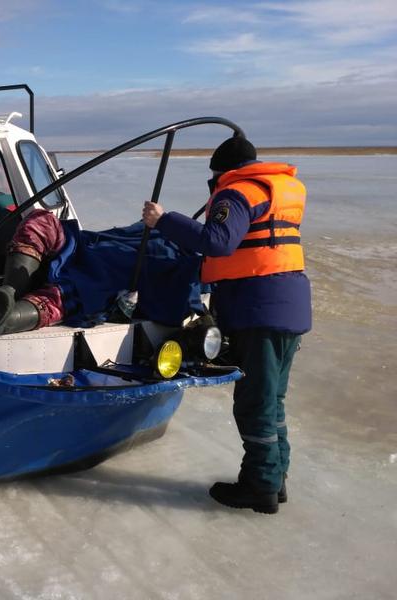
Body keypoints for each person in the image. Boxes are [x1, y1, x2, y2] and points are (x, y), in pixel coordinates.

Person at [141, 136, 311, 514]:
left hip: (259, 311)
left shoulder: (236, 193)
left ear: (222, 172)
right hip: (288, 307)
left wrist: (163, 220)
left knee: (255, 404)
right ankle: (275, 479)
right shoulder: (277, 189)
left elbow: (218, 241)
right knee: (272, 401)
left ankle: (260, 487)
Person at [0, 205, 204, 340]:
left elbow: (171, 306)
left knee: (67, 295)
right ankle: (9, 293)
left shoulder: (187, 272)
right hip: (82, 247)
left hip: (105, 277)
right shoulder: (153, 231)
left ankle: (5, 318)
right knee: (42, 221)